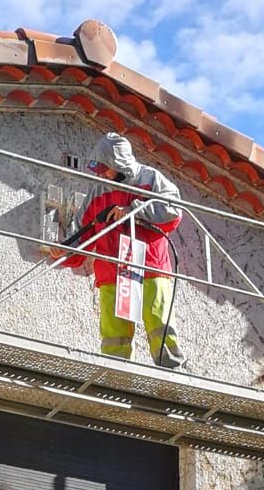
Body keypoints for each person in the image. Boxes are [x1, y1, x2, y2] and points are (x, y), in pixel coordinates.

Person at [59, 133, 188, 370]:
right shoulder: (98, 191)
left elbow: (174, 209)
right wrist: (66, 252)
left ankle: (171, 373)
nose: (103, 173)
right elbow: (82, 230)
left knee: (158, 320)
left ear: (120, 163)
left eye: (106, 167)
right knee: (113, 331)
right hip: (110, 270)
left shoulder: (150, 179)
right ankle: (115, 375)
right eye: (101, 168)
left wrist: (133, 210)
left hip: (149, 265)